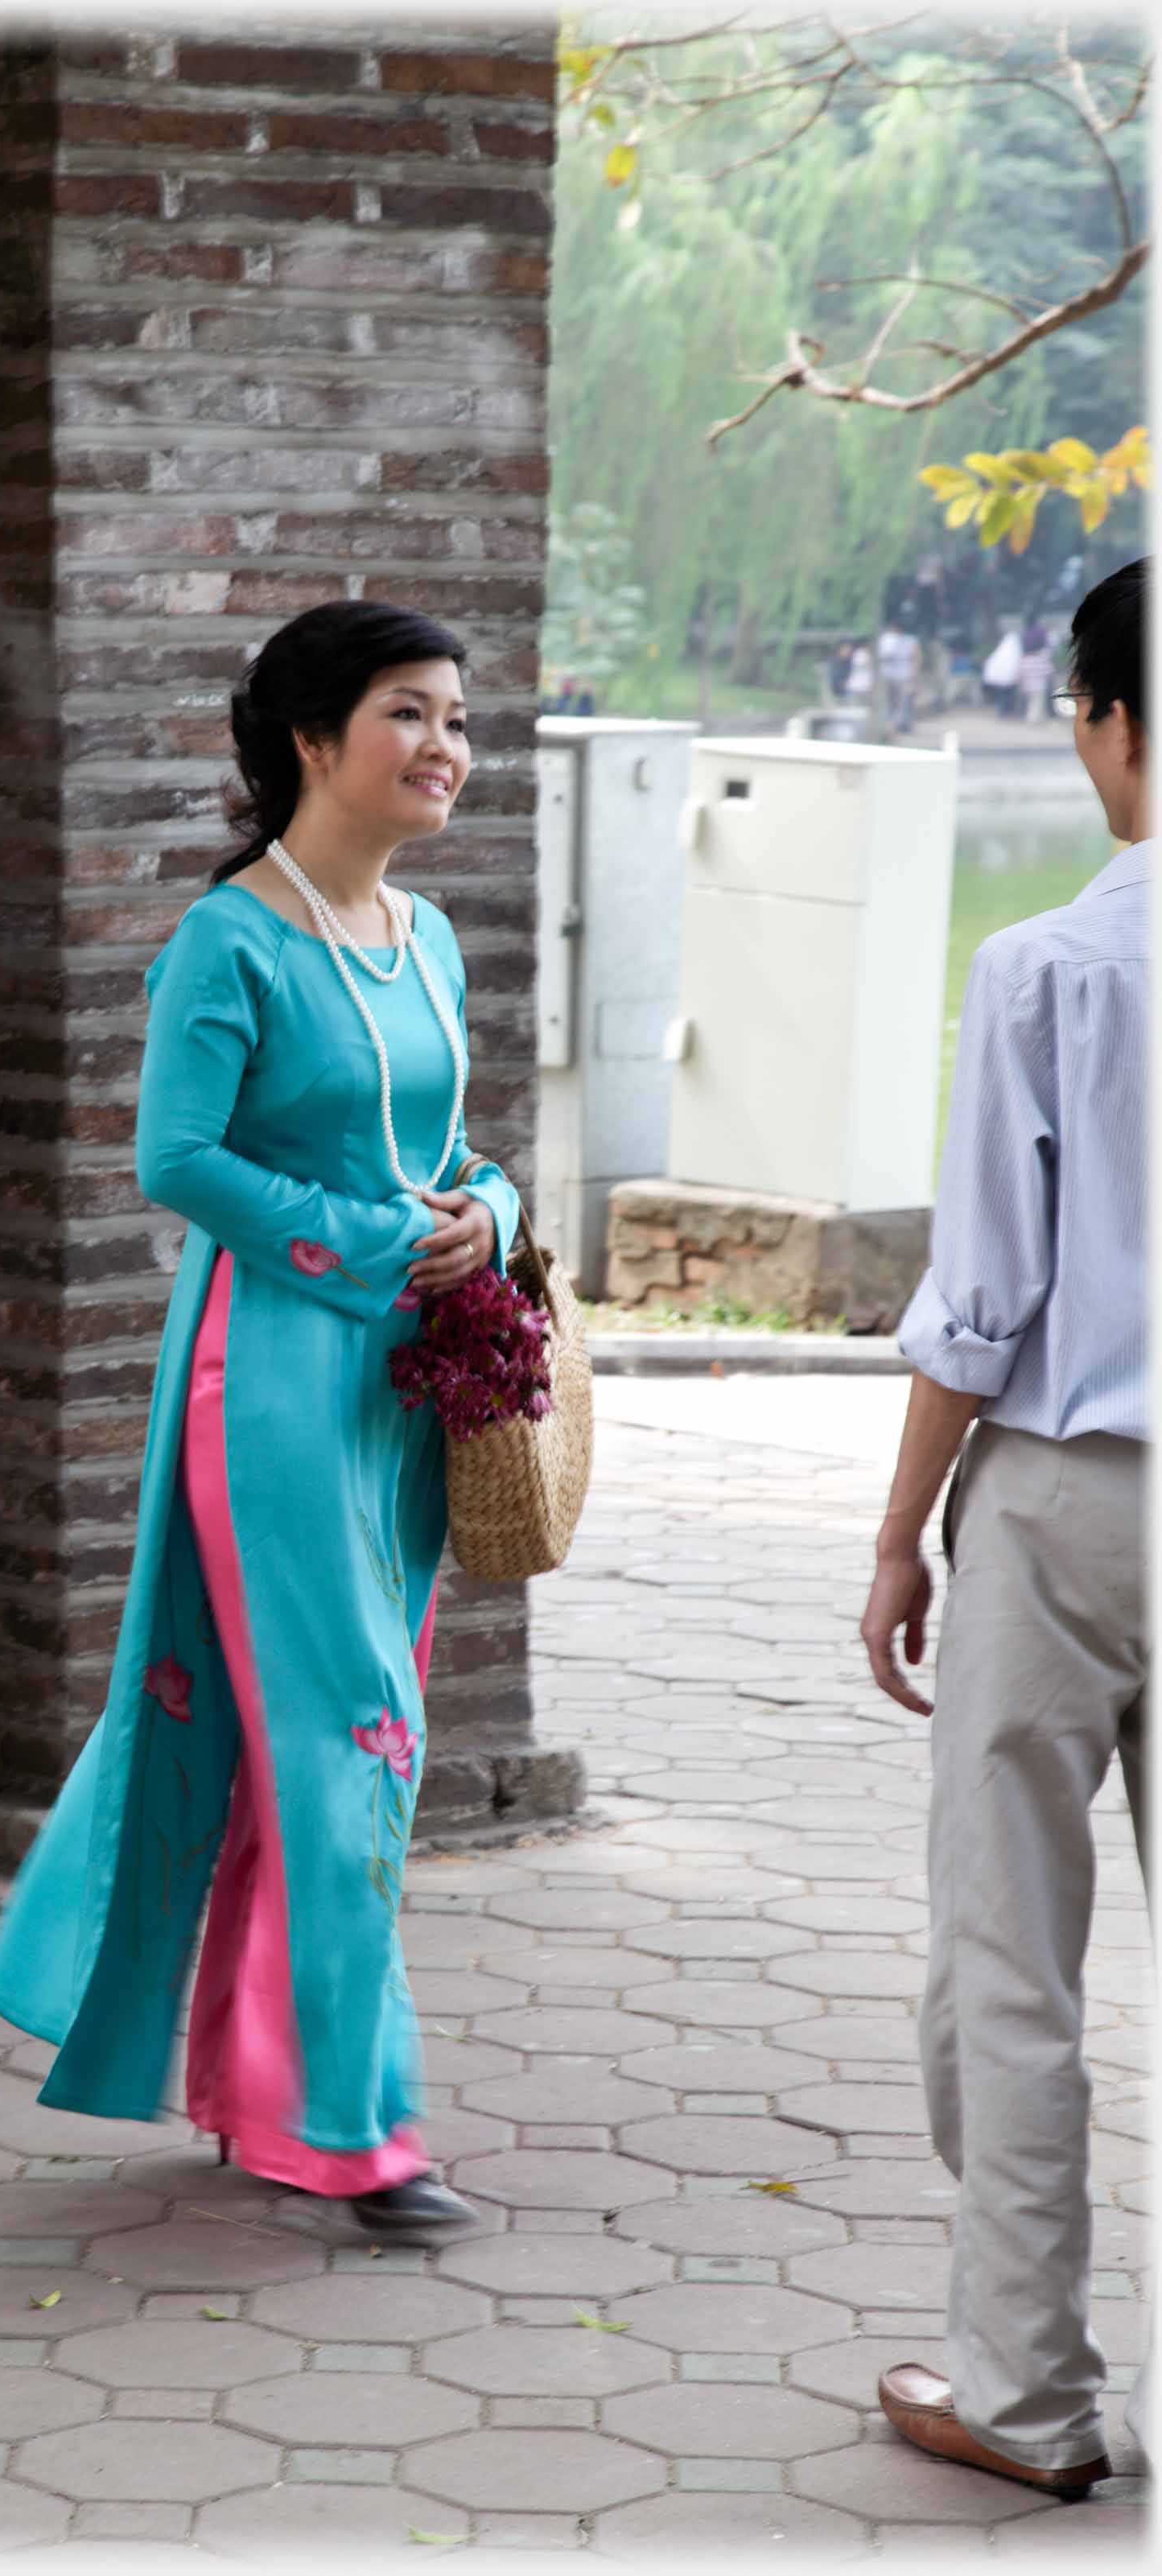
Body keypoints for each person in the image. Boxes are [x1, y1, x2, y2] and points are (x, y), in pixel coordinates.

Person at [0, 600, 521, 2231]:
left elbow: (450, 1141)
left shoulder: (420, 938)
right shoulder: (233, 939)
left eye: (458, 720)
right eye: (410, 714)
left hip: (408, 1388)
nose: (446, 748)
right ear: (309, 735)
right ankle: (354, 2129)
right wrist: (375, 1245)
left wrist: (485, 1212)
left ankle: (253, 2078)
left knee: (335, 1733)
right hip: (272, 1376)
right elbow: (177, 1158)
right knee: (356, 1730)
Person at [860, 559, 1151, 2500]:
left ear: (1112, 722)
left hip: (1065, 1502)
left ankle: (1025, 2397)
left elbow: (980, 1301)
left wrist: (896, 1538)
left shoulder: (1050, 967)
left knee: (1008, 1957)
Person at [878, 620, 920, 732]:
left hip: (901, 675)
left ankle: (897, 725)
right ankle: (891, 725)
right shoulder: (886, 639)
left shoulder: (909, 640)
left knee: (901, 702)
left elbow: (915, 658)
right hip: (892, 674)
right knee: (893, 702)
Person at [982, 623, 1023, 717]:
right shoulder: (1014, 649)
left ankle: (1002, 712)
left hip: (999, 679)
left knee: (1001, 697)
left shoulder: (1001, 650)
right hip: (1010, 680)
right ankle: (1006, 712)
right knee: (1008, 697)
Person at [1020, 616, 1054, 722]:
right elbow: (1049, 671)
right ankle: (1033, 719)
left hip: (1027, 684)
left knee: (1031, 701)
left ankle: (1032, 717)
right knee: (1037, 702)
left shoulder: (1025, 659)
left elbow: (1021, 672)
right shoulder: (1041, 659)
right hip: (1039, 685)